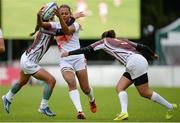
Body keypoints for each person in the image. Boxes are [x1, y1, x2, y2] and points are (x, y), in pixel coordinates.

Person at [61, 30, 178, 120]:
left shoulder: (104, 41)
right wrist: (153, 54)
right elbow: (142, 47)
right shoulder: (123, 41)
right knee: (120, 87)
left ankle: (168, 108)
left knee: (145, 92)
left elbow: (87, 49)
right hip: (139, 60)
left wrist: (69, 53)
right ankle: (169, 107)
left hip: (133, 63)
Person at [1, 7, 60, 117]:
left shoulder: (45, 28)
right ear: (49, 18)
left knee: (22, 82)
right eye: (53, 16)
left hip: (26, 58)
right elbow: (63, 30)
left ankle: (7, 97)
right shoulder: (49, 29)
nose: (54, 17)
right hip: (29, 62)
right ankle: (43, 107)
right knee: (51, 81)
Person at [53, 4, 97, 119]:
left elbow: (66, 31)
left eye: (66, 13)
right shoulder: (55, 26)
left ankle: (92, 100)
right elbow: (43, 26)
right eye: (61, 13)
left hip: (78, 59)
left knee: (86, 89)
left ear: (70, 14)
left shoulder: (76, 24)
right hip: (65, 61)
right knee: (71, 82)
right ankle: (80, 111)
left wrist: (73, 19)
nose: (63, 15)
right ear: (58, 14)